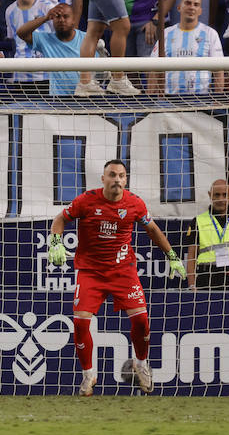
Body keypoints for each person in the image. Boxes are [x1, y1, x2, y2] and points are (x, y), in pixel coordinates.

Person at [46, 159, 185, 396]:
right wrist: (55, 242)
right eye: (112, 175)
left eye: (121, 175)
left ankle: (140, 365)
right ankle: (88, 375)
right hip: (91, 271)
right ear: (103, 179)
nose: (117, 179)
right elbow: (60, 219)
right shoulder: (86, 200)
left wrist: (171, 255)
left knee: (141, 321)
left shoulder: (135, 203)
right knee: (80, 323)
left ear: (126, 179)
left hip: (123, 271)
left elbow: (151, 229)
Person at [184, 178, 229, 290]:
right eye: (216, 195)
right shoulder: (198, 221)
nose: (221, 199)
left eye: (224, 194)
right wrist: (192, 285)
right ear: (210, 195)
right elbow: (191, 257)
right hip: (208, 278)